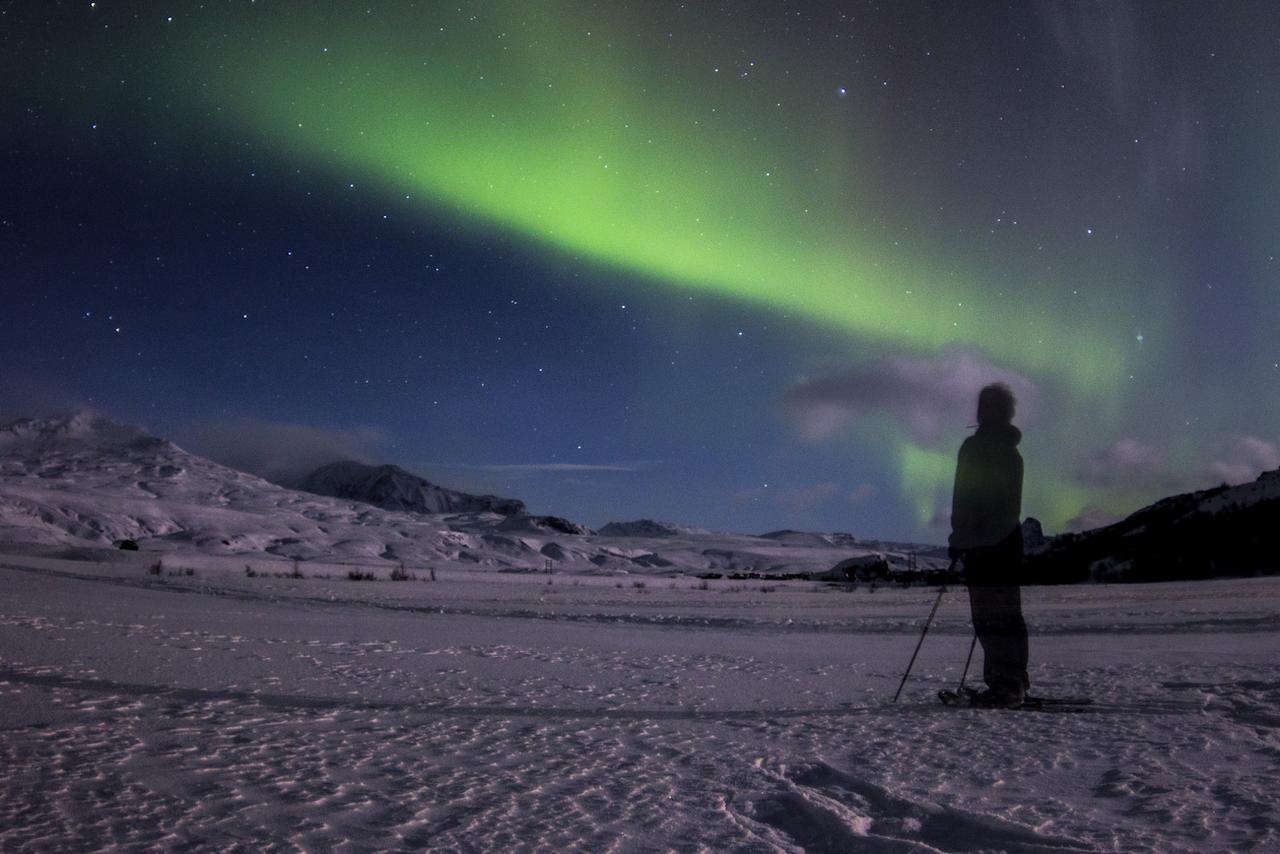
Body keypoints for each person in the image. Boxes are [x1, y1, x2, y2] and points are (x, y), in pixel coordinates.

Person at [949, 383, 1028, 708]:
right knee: (1008, 614)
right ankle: (1012, 680)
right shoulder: (1013, 452)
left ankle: (1005, 685)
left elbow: (964, 498)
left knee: (988, 616)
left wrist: (959, 539)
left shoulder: (975, 448)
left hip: (982, 546)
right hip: (1008, 541)